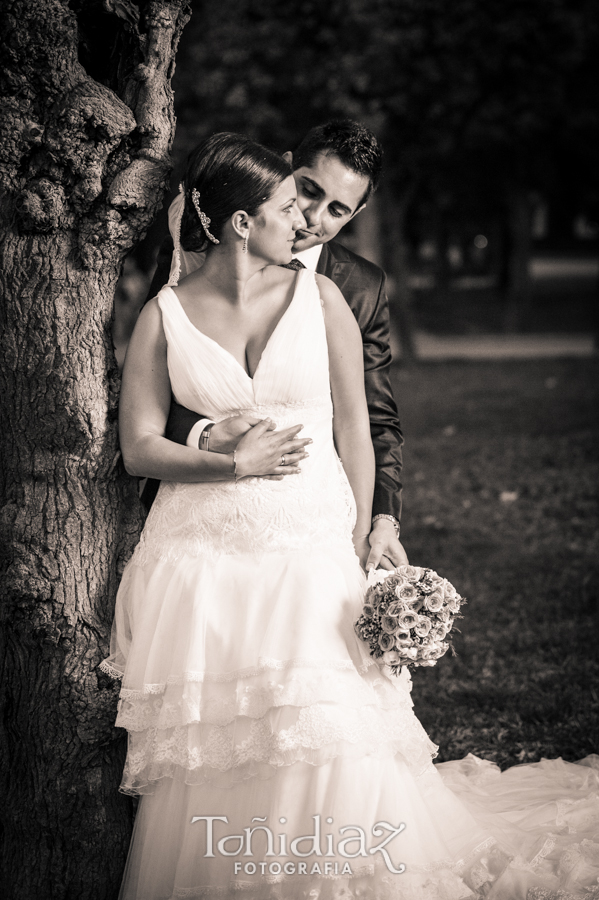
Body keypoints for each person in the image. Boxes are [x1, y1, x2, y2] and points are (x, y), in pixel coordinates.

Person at [102, 132, 599, 900]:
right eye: (289, 202)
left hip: (310, 533)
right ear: (242, 221)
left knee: (325, 715)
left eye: (328, 208)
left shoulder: (331, 294)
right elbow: (138, 444)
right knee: (221, 735)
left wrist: (370, 532)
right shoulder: (164, 312)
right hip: (203, 546)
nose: (304, 218)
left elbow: (360, 430)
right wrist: (225, 457)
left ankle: (346, 875)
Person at [143, 120, 406, 573]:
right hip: (202, 520)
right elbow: (168, 373)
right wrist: (205, 435)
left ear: (355, 215)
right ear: (284, 169)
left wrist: (379, 520)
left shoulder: (358, 288)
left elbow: (372, 418)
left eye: (338, 210)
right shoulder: (196, 255)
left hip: (311, 526)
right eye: (308, 190)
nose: (313, 218)